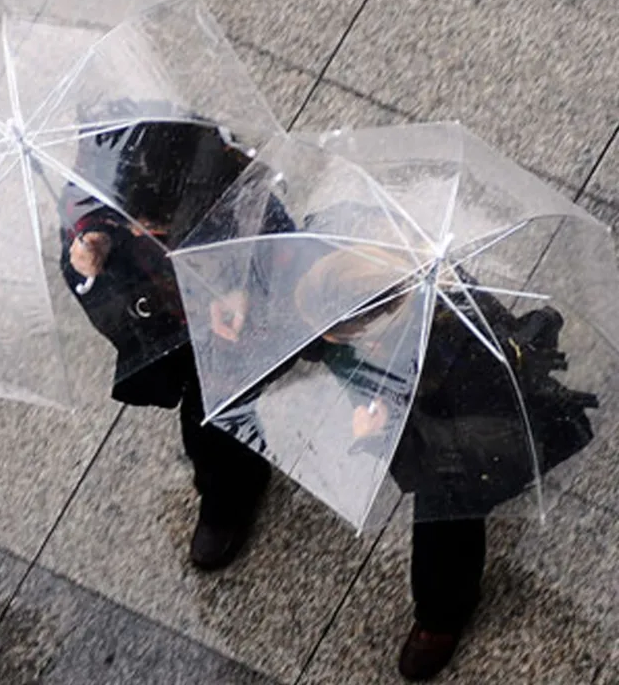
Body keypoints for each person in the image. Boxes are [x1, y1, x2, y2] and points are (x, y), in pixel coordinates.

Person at [288, 243, 598, 680]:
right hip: (428, 402)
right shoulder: (392, 288)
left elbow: (432, 463)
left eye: (333, 335)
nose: (324, 344)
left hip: (478, 439)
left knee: (446, 519)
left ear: (372, 330)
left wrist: (378, 438)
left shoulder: (455, 355)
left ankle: (441, 617)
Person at [60, 111, 295, 571]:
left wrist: (240, 289)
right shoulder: (101, 199)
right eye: (130, 223)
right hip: (170, 331)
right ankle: (226, 487)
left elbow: (287, 258)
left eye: (150, 226)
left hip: (235, 335)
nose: (139, 232)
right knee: (202, 416)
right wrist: (89, 265)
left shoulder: (242, 199)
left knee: (222, 410)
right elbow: (90, 273)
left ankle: (233, 487)